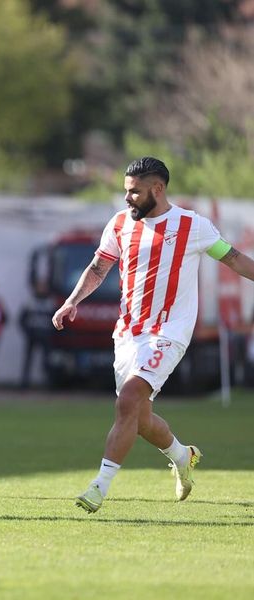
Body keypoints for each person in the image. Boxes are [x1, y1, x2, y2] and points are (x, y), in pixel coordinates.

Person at [53, 156, 254, 514]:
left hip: (169, 332)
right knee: (140, 418)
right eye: (126, 191)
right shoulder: (118, 225)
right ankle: (183, 456)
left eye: (134, 192)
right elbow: (99, 268)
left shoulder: (192, 225)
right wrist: (71, 302)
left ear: (157, 190)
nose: (127, 198)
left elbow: (234, 258)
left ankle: (99, 486)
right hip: (128, 334)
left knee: (128, 399)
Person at [18, 282, 55, 388]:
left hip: (45, 335)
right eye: (39, 287)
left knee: (47, 360)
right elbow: (21, 319)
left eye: (43, 287)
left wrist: (50, 332)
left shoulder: (50, 302)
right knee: (28, 360)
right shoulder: (30, 302)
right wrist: (27, 331)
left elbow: (56, 318)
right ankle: (24, 383)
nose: (41, 289)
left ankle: (48, 384)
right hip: (32, 335)